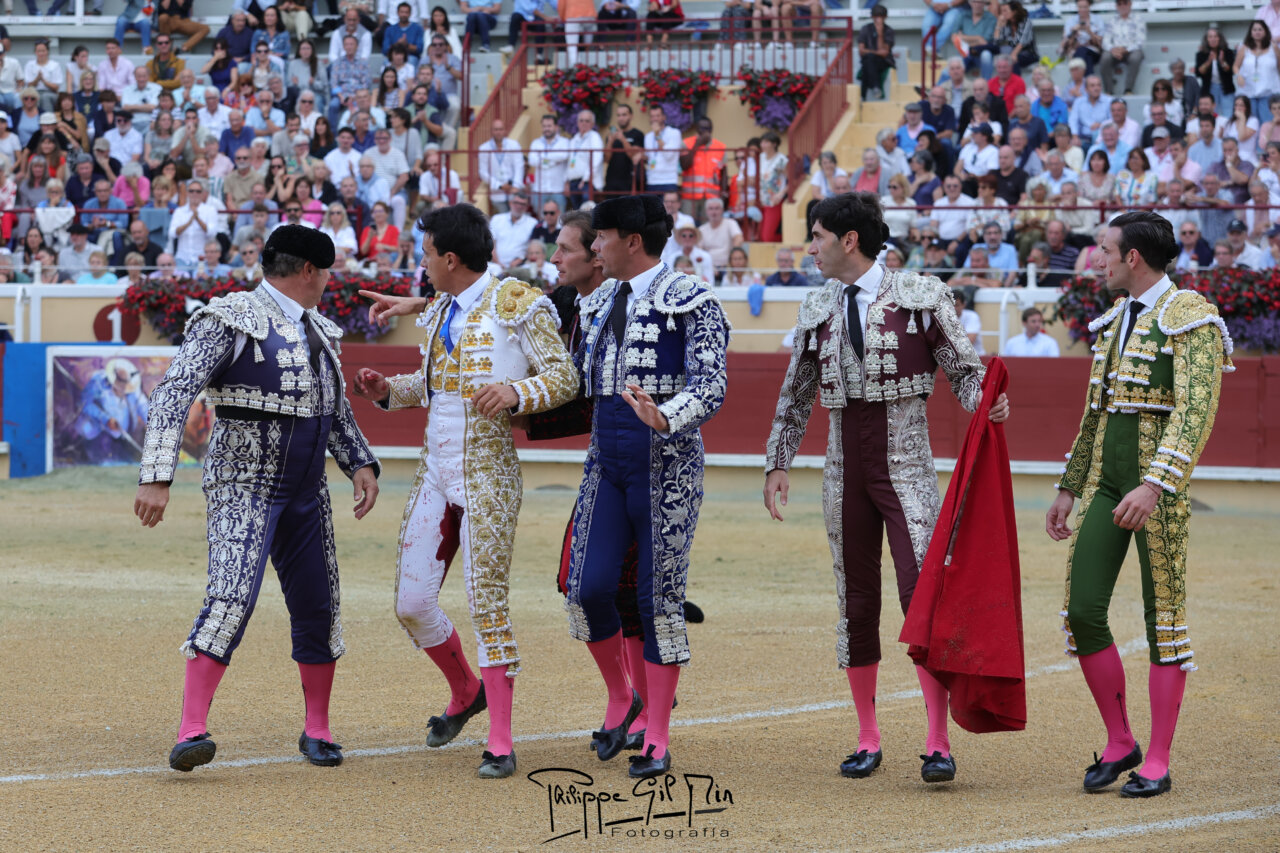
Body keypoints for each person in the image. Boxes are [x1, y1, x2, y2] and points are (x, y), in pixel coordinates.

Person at [764, 191, 1008, 785]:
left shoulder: (921, 297)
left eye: (817, 235)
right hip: (843, 468)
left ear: (849, 240)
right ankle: (868, 737)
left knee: (922, 597)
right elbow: (796, 393)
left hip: (906, 469)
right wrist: (777, 462)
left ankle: (936, 739)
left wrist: (990, 405)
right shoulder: (817, 305)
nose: (811, 247)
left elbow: (965, 373)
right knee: (857, 601)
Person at [134, 225, 380, 773]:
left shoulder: (318, 329)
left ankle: (318, 729)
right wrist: (157, 474)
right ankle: (191, 729)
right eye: (327, 274)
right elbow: (173, 392)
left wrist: (359, 461)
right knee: (230, 596)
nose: (327, 284)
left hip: (305, 489)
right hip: (242, 482)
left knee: (319, 603)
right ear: (311, 272)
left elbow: (333, 410)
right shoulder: (231, 318)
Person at [351, 203, 576, 779]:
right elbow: (429, 389)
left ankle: (500, 741)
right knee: (411, 603)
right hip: (436, 470)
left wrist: (517, 392)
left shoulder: (519, 303)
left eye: (426, 254)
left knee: (486, 602)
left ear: (450, 258)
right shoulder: (439, 311)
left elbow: (565, 376)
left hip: (488, 473)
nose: (421, 264)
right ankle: (465, 689)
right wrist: (385, 390)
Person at [1046, 211, 1231, 799]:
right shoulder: (1114, 321)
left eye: (1104, 250)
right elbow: (1095, 413)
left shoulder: (1191, 317)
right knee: (1081, 610)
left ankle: (1157, 757)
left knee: (1165, 622)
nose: (1095, 260)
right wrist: (1070, 485)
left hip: (1160, 491)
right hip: (1106, 481)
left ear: (1133, 258)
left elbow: (1195, 411)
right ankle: (1121, 739)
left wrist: (1154, 485)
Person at [552, 194, 727, 780]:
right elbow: (573, 377)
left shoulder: (692, 298)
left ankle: (657, 734)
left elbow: (712, 384)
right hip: (606, 460)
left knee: (658, 600)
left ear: (630, 240)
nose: (593, 247)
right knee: (585, 588)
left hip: (667, 465)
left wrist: (667, 416)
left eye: (599, 237)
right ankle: (621, 696)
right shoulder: (598, 301)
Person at [679, 117, 726, 222]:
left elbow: (723, 173)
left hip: (711, 197)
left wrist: (723, 195)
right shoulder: (686, 143)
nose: (706, 131)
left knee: (709, 228)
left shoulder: (721, 147)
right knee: (688, 226)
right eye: (702, 128)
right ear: (696, 128)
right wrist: (697, 145)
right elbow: (684, 165)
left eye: (708, 128)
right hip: (690, 196)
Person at [1098, 0, 1145, 96]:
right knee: (1105, 57)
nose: (1122, 6)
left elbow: (1141, 41)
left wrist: (1125, 49)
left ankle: (1128, 89)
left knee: (1136, 57)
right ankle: (1109, 90)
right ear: (1116, 6)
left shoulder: (1139, 20)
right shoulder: (1112, 21)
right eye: (1119, 4)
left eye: (1125, 3)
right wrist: (1113, 49)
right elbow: (1105, 41)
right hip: (1115, 51)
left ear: (1130, 4)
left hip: (1131, 50)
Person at [477, 118, 524, 214]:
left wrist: (515, 186)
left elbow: (519, 166)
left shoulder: (514, 145)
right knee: (503, 219)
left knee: (517, 217)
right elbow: (483, 172)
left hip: (514, 191)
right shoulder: (483, 148)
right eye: (496, 129)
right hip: (497, 192)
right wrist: (499, 186)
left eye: (501, 129)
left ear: (504, 130)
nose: (498, 132)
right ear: (491, 131)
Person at [857, 5, 895, 102]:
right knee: (868, 61)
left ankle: (863, 96)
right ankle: (876, 87)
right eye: (876, 17)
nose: (879, 19)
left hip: (883, 61)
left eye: (881, 17)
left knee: (867, 63)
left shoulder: (888, 31)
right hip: (869, 60)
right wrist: (874, 52)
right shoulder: (865, 29)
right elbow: (861, 51)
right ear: (872, 17)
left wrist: (880, 33)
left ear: (885, 17)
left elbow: (884, 53)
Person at [642, 105, 682, 195]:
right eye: (652, 116)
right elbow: (649, 157)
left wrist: (657, 135)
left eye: (657, 116)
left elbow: (668, 155)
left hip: (669, 180)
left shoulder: (674, 133)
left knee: (667, 209)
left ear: (664, 117)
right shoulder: (648, 136)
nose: (655, 119)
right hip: (652, 180)